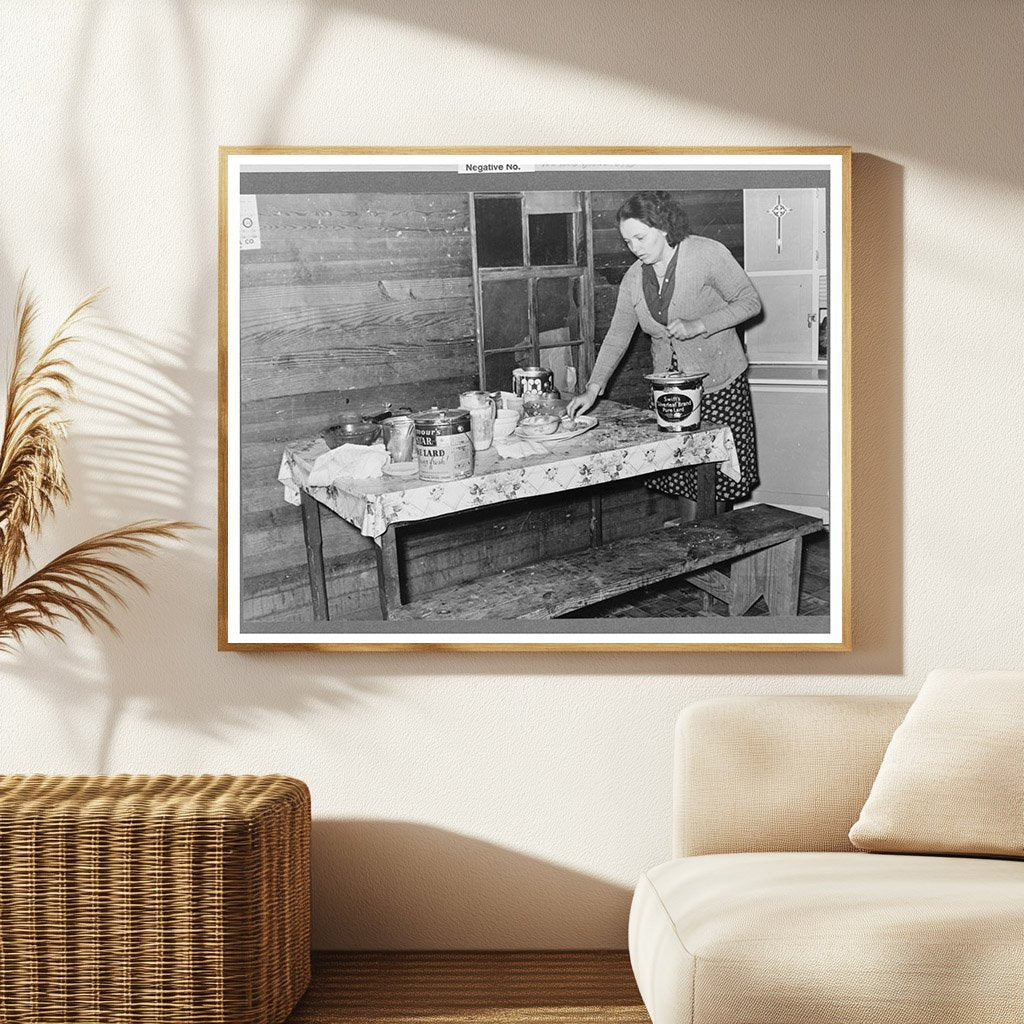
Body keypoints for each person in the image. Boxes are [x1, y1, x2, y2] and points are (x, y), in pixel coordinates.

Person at [567, 190, 762, 508]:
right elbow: (618, 336)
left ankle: (712, 548)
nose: (634, 248)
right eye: (628, 242)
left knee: (717, 481)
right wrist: (593, 388)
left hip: (719, 385)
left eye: (640, 238)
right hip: (669, 391)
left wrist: (700, 324)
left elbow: (750, 301)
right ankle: (693, 546)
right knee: (685, 477)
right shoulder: (634, 278)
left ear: (663, 226)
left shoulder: (706, 254)